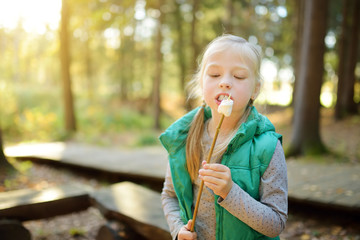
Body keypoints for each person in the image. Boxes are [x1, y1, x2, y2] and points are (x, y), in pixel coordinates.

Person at [159, 34, 288, 240]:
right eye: (214, 74)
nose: (225, 83)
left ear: (255, 89)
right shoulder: (184, 138)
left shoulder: (267, 147)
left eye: (238, 76)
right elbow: (170, 195)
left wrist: (230, 192)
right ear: (202, 83)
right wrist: (178, 230)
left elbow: (275, 224)